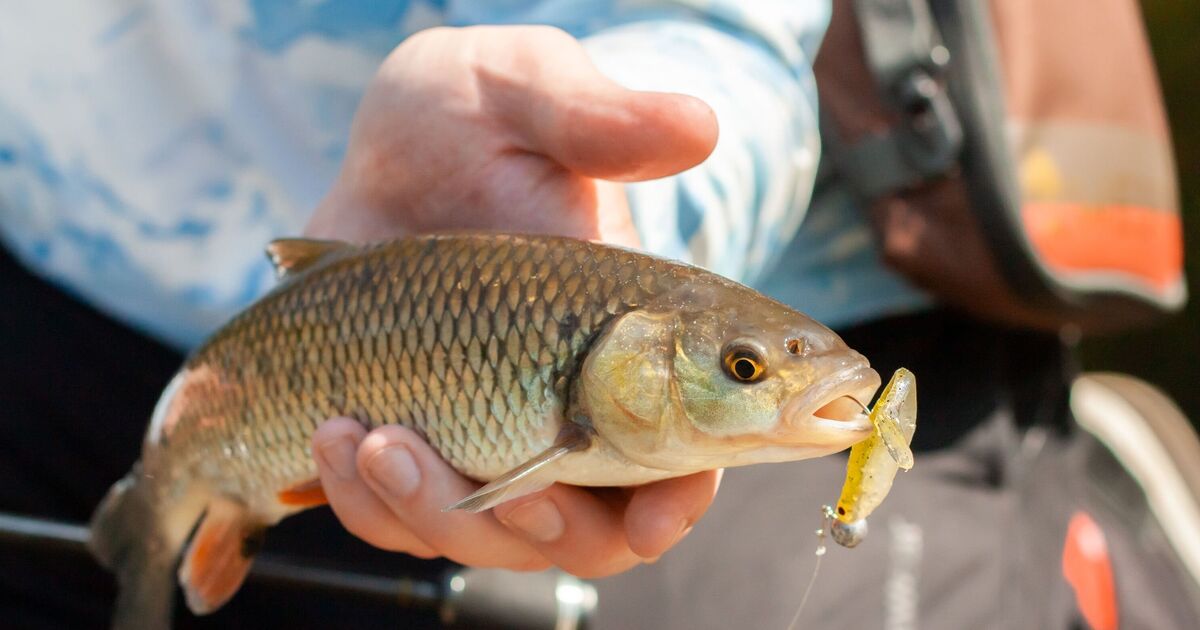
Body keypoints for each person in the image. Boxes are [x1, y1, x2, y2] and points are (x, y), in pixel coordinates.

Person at [0, 2, 831, 627]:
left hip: (274, 423)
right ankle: (158, 514)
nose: (753, 379)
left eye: (742, 367)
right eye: (746, 369)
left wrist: (624, 203)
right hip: (38, 267)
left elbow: (731, 36)